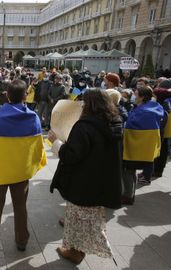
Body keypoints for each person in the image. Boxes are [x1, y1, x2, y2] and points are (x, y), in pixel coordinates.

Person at [48, 89, 123, 265]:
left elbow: (71, 156)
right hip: (102, 181)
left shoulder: (84, 126)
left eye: (83, 103)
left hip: (82, 182)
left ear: (89, 105)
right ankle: (78, 250)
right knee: (90, 218)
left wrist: (56, 143)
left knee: (77, 219)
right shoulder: (114, 122)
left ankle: (75, 252)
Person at [0, 80, 46, 253]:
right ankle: (22, 241)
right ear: (24, 96)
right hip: (21, 172)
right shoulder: (33, 118)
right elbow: (38, 148)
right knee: (20, 207)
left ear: (7, 95)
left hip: (0, 172)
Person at [122, 87, 164, 204]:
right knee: (131, 170)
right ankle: (130, 194)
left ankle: (128, 195)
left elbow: (130, 124)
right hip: (143, 146)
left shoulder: (143, 111)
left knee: (128, 170)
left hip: (136, 146)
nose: (134, 97)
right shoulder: (153, 107)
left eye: (136, 95)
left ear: (142, 97)